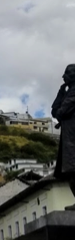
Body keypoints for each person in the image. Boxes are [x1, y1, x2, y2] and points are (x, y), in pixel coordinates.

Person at [51, 64, 75, 209]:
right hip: (69, 138)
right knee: (71, 172)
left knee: (73, 170)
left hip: (73, 138)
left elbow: (61, 112)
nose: (63, 76)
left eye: (66, 73)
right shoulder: (68, 91)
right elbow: (55, 111)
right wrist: (61, 91)